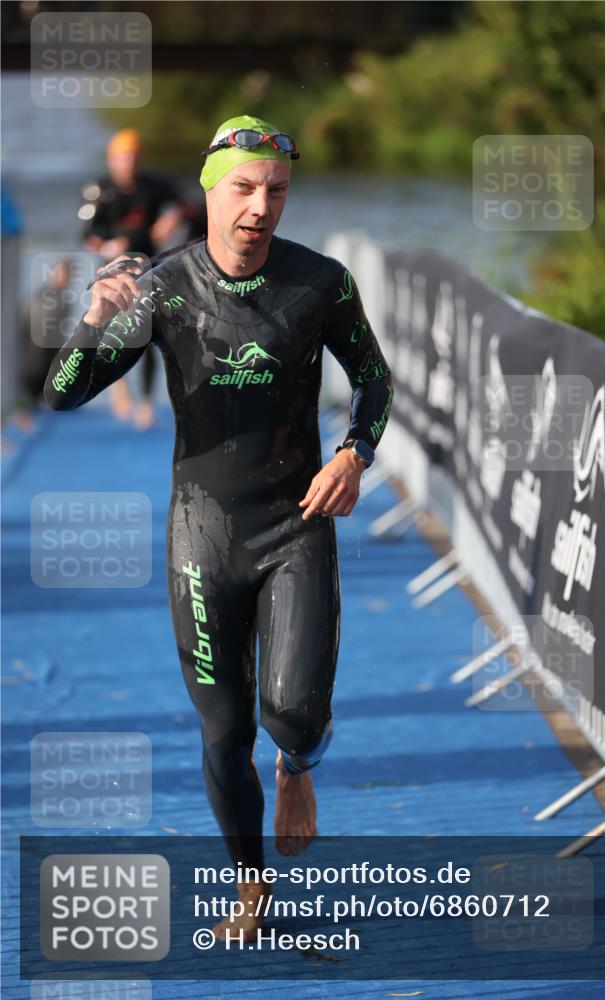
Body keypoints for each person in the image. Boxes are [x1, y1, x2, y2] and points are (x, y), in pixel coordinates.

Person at [44, 114, 393, 942]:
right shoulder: (165, 287)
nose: (258, 208)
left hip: (295, 521)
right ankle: (250, 886)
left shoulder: (321, 282)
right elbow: (62, 391)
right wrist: (95, 318)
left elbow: (374, 380)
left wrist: (353, 454)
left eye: (274, 192)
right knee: (223, 729)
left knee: (292, 717)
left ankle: (298, 767)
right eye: (242, 189)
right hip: (202, 535)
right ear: (207, 192)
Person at [82, 128, 185, 429]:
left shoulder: (154, 185)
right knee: (112, 330)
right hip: (112, 272)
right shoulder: (99, 189)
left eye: (134, 157)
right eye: (123, 158)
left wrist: (171, 218)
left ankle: (146, 402)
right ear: (112, 160)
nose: (128, 164)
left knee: (149, 331)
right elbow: (87, 234)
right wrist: (107, 246)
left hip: (148, 266)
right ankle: (119, 388)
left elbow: (185, 202)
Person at [14, 258, 72, 430]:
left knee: (44, 378)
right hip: (36, 349)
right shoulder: (41, 296)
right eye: (60, 273)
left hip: (50, 349)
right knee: (33, 377)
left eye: (66, 275)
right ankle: (24, 409)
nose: (62, 278)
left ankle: (36, 404)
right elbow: (28, 321)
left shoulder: (64, 299)